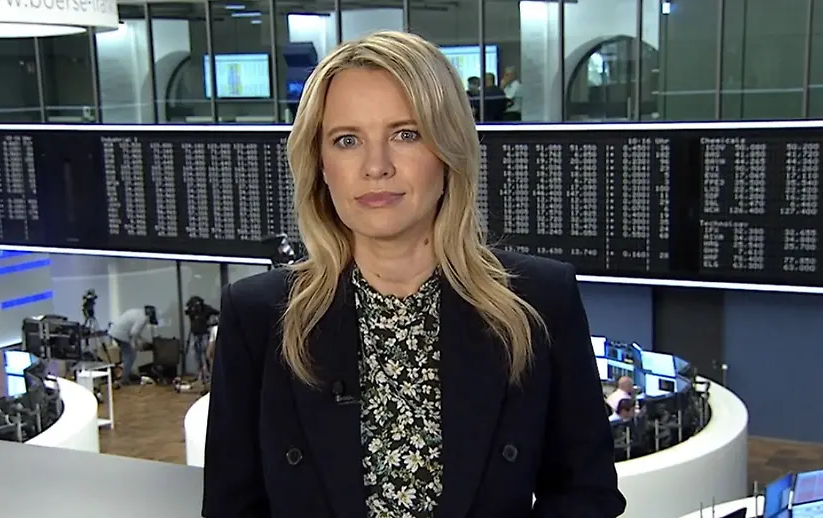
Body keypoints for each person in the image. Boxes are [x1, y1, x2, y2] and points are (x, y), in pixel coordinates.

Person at [203, 30, 625, 518]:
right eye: (347, 140)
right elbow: (232, 509)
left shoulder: (539, 301)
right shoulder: (257, 317)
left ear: (448, 150)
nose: (376, 167)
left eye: (406, 134)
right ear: (320, 163)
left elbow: (585, 495)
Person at [108, 305, 157, 385]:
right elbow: (134, 332)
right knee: (129, 356)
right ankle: (124, 379)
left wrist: (141, 341)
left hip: (115, 331)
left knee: (131, 355)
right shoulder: (143, 318)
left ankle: (127, 373)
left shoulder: (139, 312)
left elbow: (135, 333)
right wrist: (136, 344)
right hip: (120, 333)